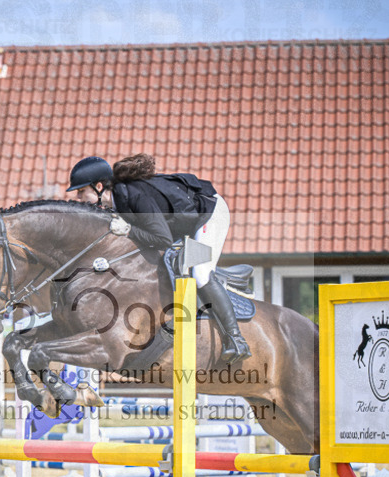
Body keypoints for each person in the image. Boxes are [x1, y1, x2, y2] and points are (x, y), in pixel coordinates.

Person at [66, 153, 251, 364]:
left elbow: (161, 239)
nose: (79, 199)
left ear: (99, 187)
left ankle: (236, 339)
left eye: (81, 192)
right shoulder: (117, 202)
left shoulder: (135, 197)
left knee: (200, 273)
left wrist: (128, 230)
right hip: (182, 221)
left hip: (209, 214)